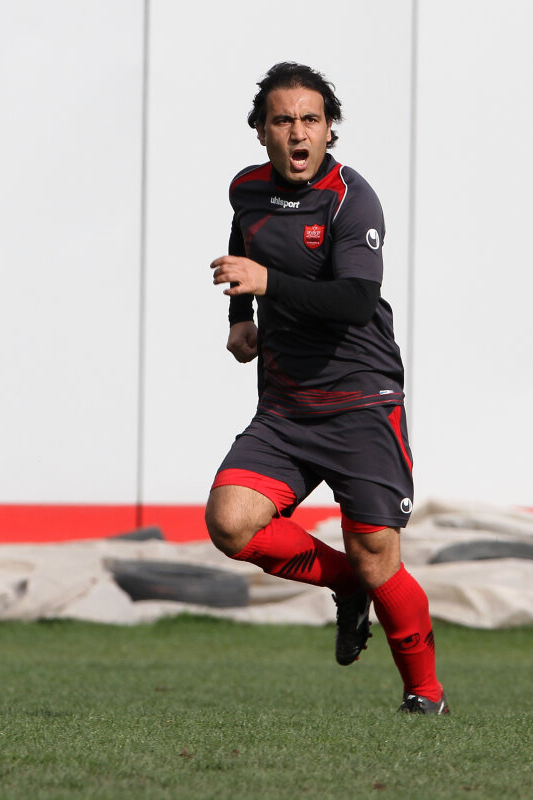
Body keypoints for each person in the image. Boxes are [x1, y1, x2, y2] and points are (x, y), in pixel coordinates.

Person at [206, 62, 447, 714]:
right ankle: (347, 585)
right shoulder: (246, 190)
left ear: (330, 128)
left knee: (377, 556)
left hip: (361, 402)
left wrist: (268, 286)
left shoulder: (350, 198)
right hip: (286, 408)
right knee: (230, 522)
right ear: (261, 131)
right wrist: (239, 317)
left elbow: (355, 300)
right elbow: (244, 241)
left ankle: (425, 695)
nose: (298, 132)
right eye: (282, 120)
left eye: (310, 119)